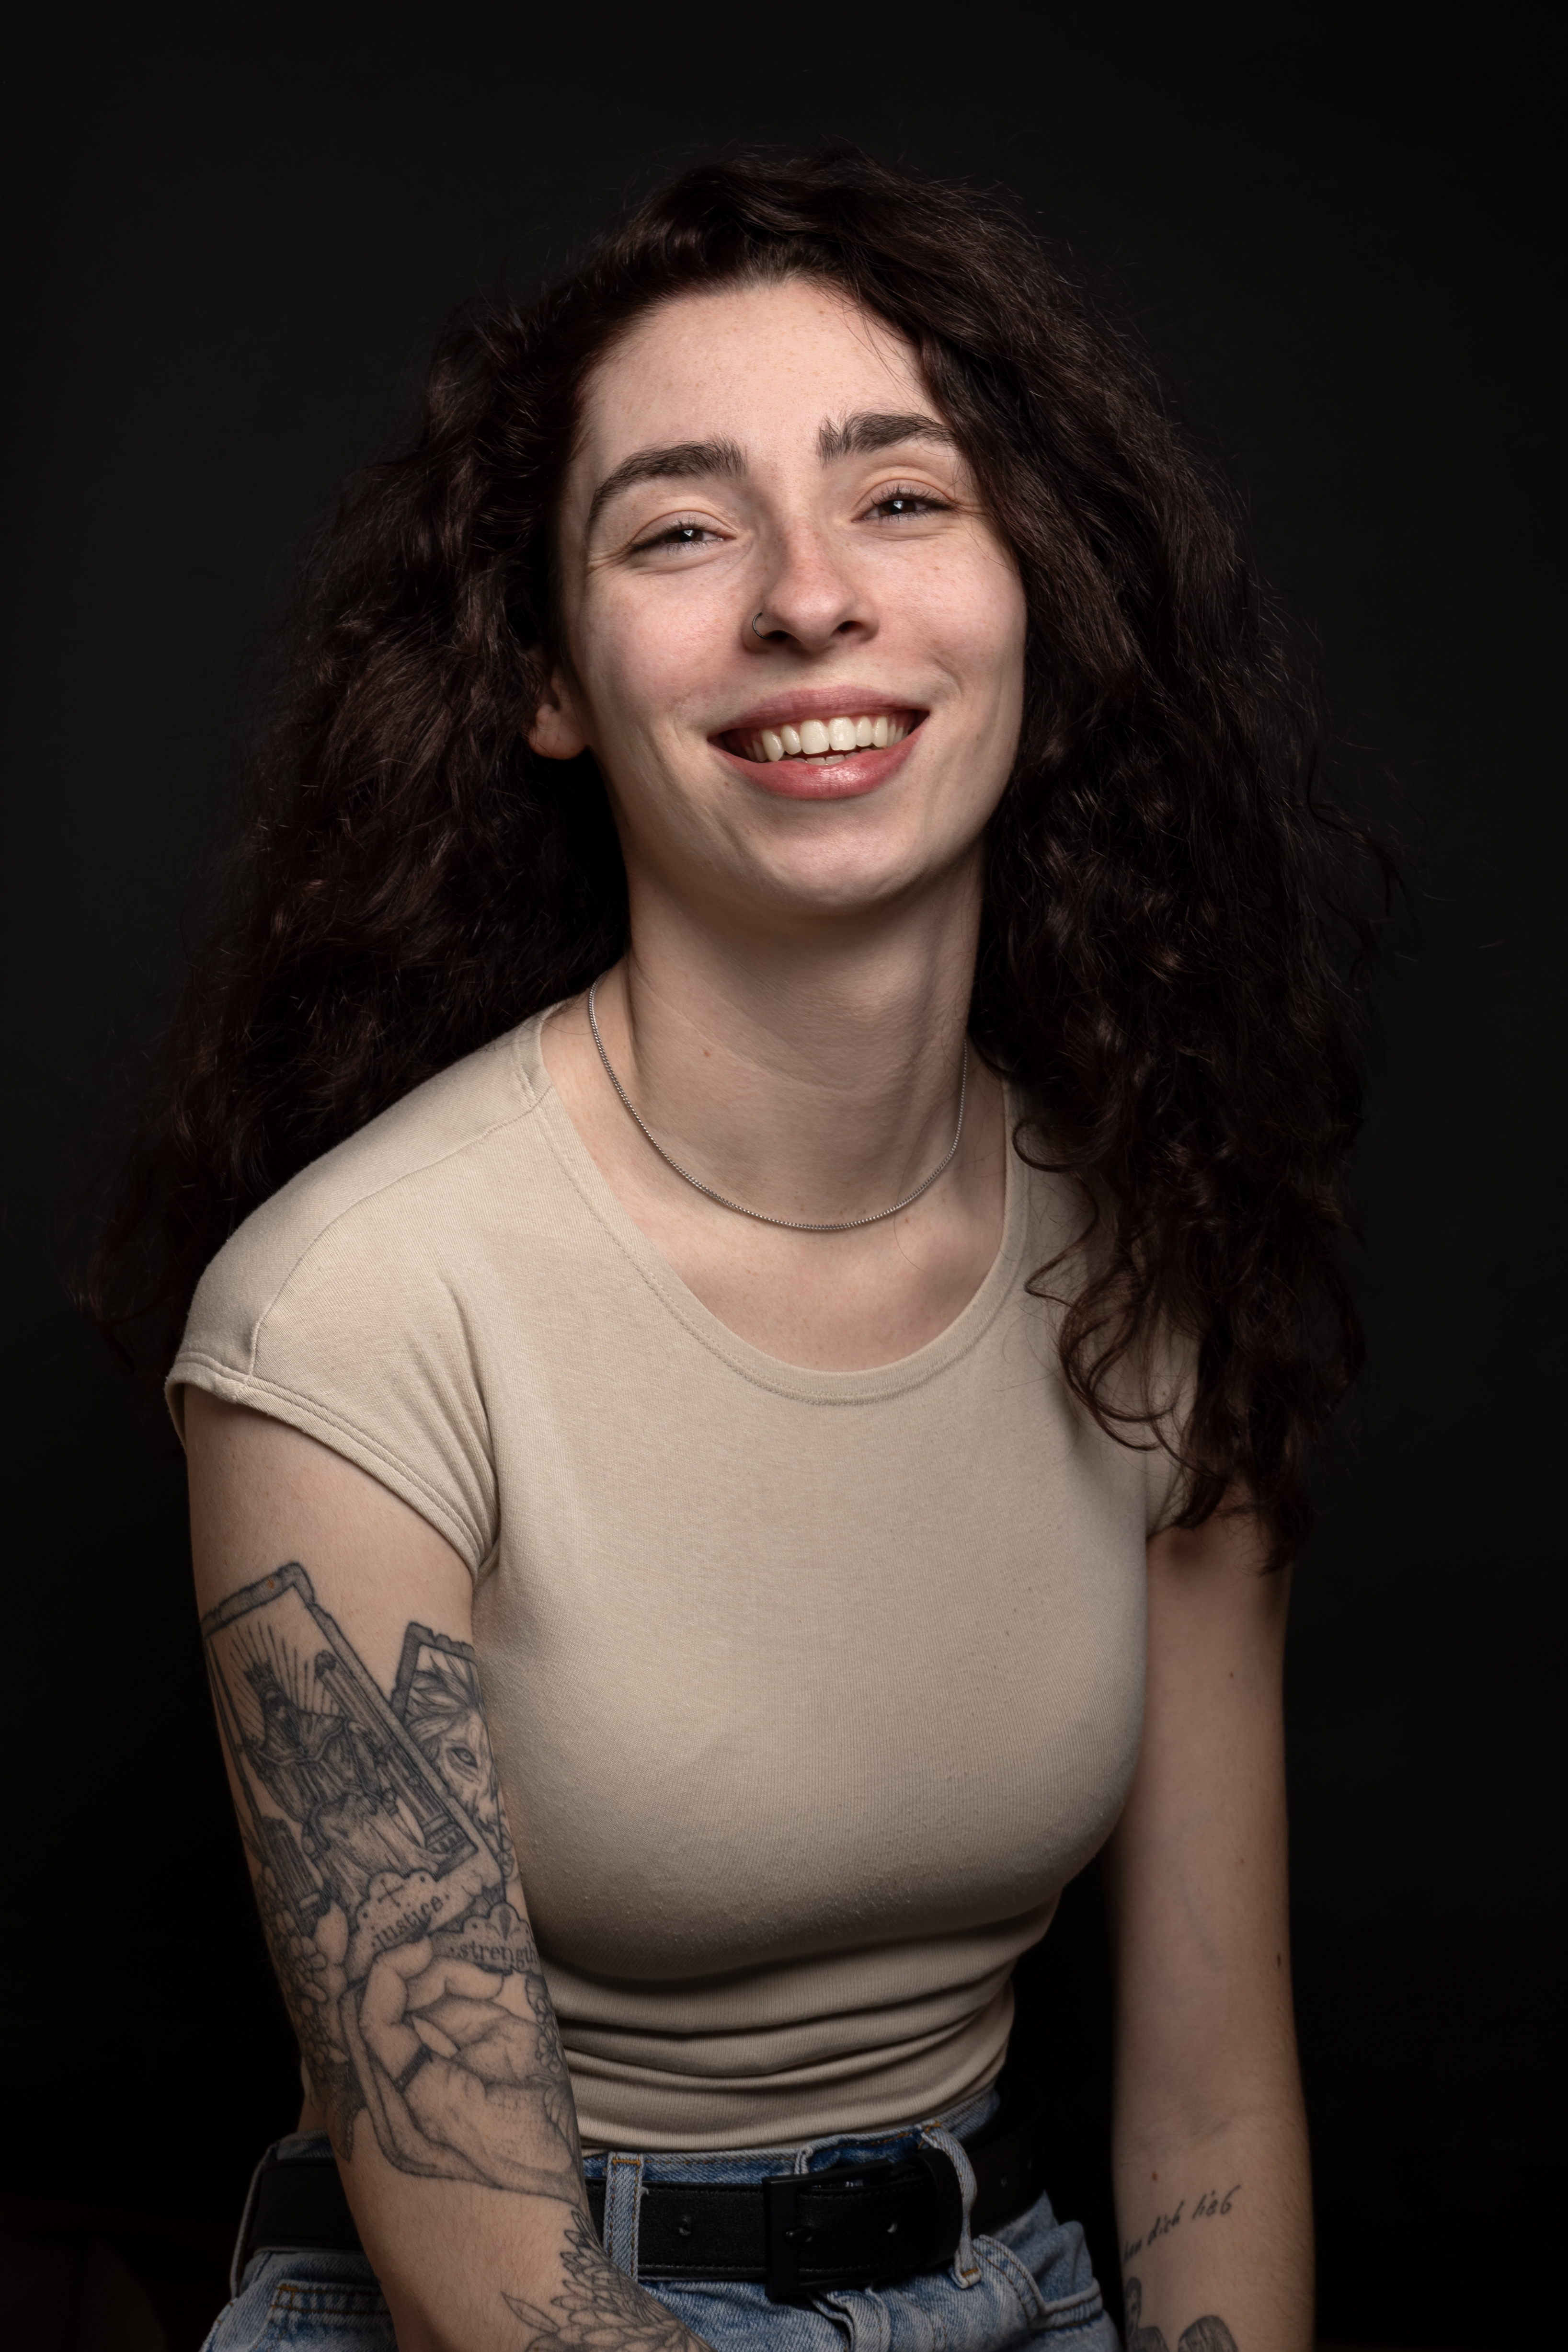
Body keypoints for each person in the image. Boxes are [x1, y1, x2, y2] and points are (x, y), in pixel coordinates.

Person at [90, 146, 1380, 2352]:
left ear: (1040, 600)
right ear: (550, 677)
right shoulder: (349, 1315)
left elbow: (1208, 2120)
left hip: (1008, 2282)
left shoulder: (1162, 1256)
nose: (809, 597)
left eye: (903, 496)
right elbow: (492, 2280)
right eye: (682, 529)